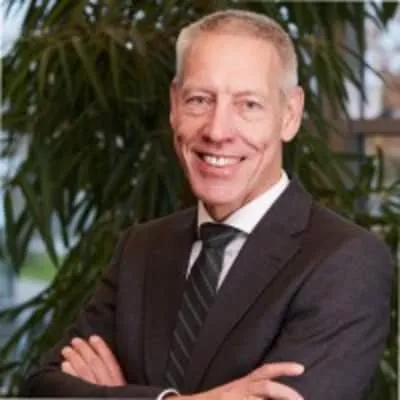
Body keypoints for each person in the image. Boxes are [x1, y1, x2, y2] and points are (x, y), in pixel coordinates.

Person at [21, 9, 393, 400]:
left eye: (248, 105)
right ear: (174, 104)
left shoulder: (346, 260)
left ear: (290, 114)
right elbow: (43, 387)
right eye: (199, 100)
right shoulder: (141, 248)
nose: (217, 131)